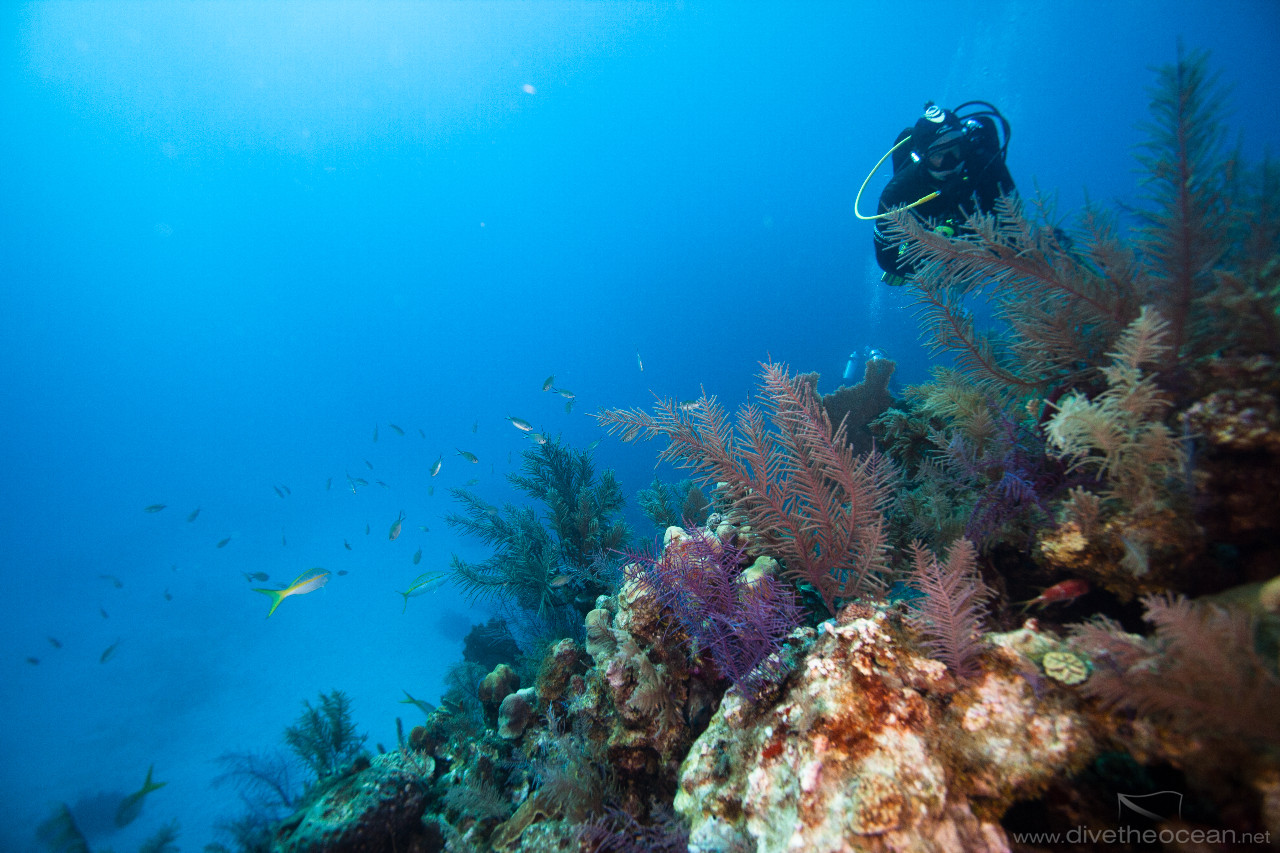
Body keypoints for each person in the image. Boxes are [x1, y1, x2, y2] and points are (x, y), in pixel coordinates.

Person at [858, 101, 1016, 285]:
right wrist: (930, 269)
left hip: (978, 232)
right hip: (927, 238)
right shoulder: (897, 193)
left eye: (956, 150)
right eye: (938, 155)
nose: (950, 162)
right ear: (922, 157)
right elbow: (886, 259)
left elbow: (1014, 224)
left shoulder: (986, 165)